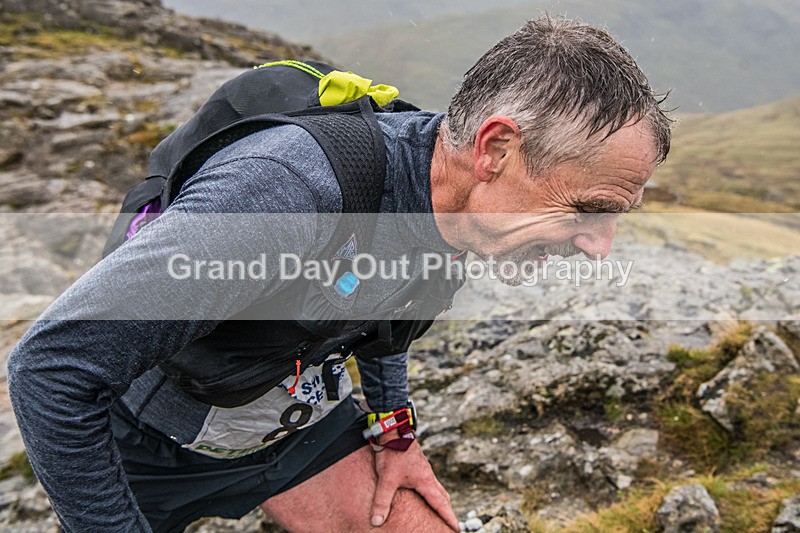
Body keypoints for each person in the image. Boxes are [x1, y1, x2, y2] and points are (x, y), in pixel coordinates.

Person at [7, 16, 670, 533]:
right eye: (590, 208)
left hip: (298, 423)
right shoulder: (285, 191)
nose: (599, 247)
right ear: (496, 148)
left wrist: (395, 426)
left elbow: (382, 313)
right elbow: (51, 367)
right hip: (147, 441)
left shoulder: (462, 205)